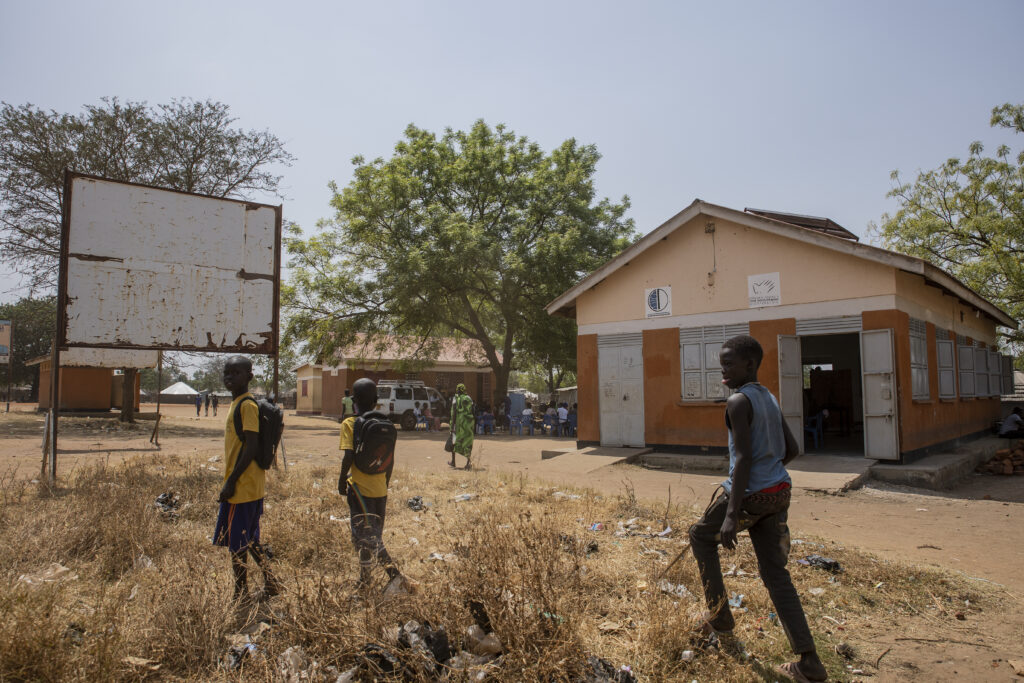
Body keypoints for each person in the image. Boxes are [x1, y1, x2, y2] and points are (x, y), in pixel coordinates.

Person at [688, 335, 826, 682]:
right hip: (779, 491)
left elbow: (745, 459)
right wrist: (772, 471)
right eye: (722, 362)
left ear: (749, 364)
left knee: (700, 536)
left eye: (729, 363)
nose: (723, 369)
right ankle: (809, 661)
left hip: (750, 494)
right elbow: (791, 448)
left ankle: (720, 618)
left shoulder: (737, 401)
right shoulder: (769, 398)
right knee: (777, 575)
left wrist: (733, 515)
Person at [213, 356, 280, 607]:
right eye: (227, 373)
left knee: (236, 543)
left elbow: (251, 446)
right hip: (248, 485)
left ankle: (241, 593)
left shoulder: (246, 406)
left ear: (249, 377)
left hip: (243, 486)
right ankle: (271, 582)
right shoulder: (236, 404)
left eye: (236, 372)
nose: (229, 377)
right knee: (250, 540)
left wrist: (230, 481)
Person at [338, 378, 406, 592]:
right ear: (377, 400)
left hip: (359, 490)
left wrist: (341, 480)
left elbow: (348, 456)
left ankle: (395, 576)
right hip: (380, 490)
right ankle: (365, 579)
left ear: (353, 401)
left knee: (368, 538)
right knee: (370, 537)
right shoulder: (386, 425)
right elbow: (391, 460)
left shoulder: (350, 424)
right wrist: (385, 483)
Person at [449, 383, 475, 469]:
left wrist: (452, 425)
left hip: (458, 424)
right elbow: (473, 410)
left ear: (457, 390)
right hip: (469, 424)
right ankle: (468, 463)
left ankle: (453, 462)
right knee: (467, 442)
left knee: (454, 441)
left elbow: (454, 413)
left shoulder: (455, 398)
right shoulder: (469, 398)